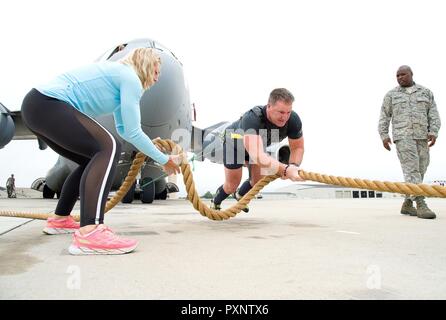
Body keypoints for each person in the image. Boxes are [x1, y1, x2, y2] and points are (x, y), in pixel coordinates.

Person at [21, 48, 182, 255]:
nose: (157, 78)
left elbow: (127, 130)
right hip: (48, 104)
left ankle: (60, 219)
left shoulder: (118, 78)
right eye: (156, 71)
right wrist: (164, 159)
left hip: (36, 107)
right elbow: (133, 131)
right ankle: (91, 232)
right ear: (145, 65)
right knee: (110, 147)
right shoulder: (130, 78)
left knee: (91, 158)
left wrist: (162, 158)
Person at [210, 88, 305, 211]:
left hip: (257, 147)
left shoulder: (293, 120)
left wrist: (293, 165)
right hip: (234, 145)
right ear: (269, 106)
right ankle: (216, 201)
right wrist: (285, 170)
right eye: (281, 112)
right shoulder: (252, 118)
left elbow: (298, 147)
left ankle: (240, 195)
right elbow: (258, 156)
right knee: (231, 185)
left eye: (288, 112)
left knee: (257, 182)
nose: (285, 117)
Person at [378, 65, 441, 219]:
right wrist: (384, 135)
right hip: (403, 137)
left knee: (421, 168)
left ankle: (407, 204)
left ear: (411, 74)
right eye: (397, 75)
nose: (400, 77)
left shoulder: (425, 92)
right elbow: (384, 116)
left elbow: (433, 113)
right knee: (411, 170)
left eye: (403, 74)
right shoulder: (391, 95)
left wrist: (433, 132)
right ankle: (420, 203)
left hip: (422, 137)